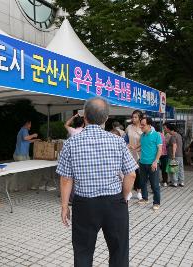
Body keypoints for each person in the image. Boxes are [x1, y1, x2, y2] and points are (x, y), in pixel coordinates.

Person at [57, 97, 137, 267]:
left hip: (84, 204)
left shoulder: (71, 143)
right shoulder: (117, 141)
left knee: (83, 252)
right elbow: (131, 174)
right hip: (114, 203)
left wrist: (64, 206)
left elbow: (66, 178)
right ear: (106, 118)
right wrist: (123, 197)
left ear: (84, 116)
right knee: (119, 251)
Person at [131, 117, 162, 210]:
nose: (141, 126)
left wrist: (155, 162)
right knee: (142, 182)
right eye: (141, 124)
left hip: (152, 163)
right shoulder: (143, 136)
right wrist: (133, 147)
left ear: (149, 125)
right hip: (142, 162)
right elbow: (140, 147)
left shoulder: (156, 135)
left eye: (143, 125)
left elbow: (159, 150)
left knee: (155, 184)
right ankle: (145, 198)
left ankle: (156, 203)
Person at [125, 110, 143, 200]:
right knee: (129, 173)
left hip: (140, 154)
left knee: (139, 173)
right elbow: (125, 139)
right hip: (130, 153)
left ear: (140, 118)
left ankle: (139, 191)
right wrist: (127, 144)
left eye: (135, 117)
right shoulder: (129, 127)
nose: (133, 119)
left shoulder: (143, 128)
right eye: (132, 117)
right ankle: (129, 191)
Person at [164, 123, 185, 187]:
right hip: (180, 155)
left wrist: (173, 155)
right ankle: (181, 182)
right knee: (180, 168)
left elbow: (174, 145)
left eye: (165, 128)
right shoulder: (179, 135)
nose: (164, 129)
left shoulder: (173, 136)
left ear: (169, 128)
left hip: (174, 155)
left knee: (173, 169)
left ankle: (174, 182)